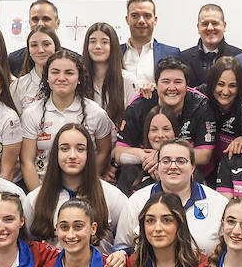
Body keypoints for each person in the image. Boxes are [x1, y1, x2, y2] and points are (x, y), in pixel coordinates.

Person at [25, 123, 129, 255]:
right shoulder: (35, 199)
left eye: (80, 149)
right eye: (65, 149)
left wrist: (120, 254)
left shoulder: (112, 195)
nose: (72, 155)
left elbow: (126, 243)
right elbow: (27, 243)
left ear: (89, 154)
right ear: (55, 154)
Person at [20, 49, 116, 189]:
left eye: (69, 73)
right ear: (46, 76)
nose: (61, 78)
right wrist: (39, 197)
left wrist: (86, 186)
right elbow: (26, 161)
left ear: (79, 78)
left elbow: (104, 152)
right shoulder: (31, 113)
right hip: (43, 187)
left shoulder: (96, 113)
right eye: (55, 72)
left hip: (84, 190)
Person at [117, 139, 230, 255]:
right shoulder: (137, 201)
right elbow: (122, 248)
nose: (173, 166)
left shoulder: (218, 203)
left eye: (181, 161)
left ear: (192, 167)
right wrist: (121, 255)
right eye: (166, 161)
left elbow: (228, 252)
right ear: (158, 166)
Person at [116, 57, 218, 175]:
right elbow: (120, 154)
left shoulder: (202, 105)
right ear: (156, 84)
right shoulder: (139, 106)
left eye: (178, 82)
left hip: (191, 174)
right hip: (146, 170)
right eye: (165, 81)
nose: (171, 88)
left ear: (187, 85)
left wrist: (164, 156)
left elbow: (204, 155)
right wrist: (144, 156)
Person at [202, 56, 242, 182]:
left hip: (231, 174)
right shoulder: (199, 99)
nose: (225, 92)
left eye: (232, 86)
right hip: (200, 171)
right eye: (220, 84)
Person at [121, 0, 180, 92]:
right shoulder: (115, 52)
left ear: (155, 20)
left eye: (147, 16)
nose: (141, 21)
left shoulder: (171, 53)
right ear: (127, 19)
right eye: (135, 15)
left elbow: (177, 89)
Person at [84, 22, 138, 131]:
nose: (98, 46)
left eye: (104, 42)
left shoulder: (127, 80)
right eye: (93, 42)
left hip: (119, 144)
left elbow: (134, 119)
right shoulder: (79, 79)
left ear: (113, 46)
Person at [179, 2, 242, 88]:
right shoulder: (183, 58)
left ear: (224, 26)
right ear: (198, 27)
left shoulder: (240, 58)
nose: (210, 28)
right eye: (205, 24)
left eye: (215, 23)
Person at [116, 106, 180, 193]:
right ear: (147, 134)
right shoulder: (130, 172)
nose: (160, 135)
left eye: (166, 129)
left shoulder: (186, 170)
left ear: (175, 133)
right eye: (154, 130)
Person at [6, 0, 60, 73]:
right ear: (29, 23)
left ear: (57, 23)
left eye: (46, 19)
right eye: (35, 19)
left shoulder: (73, 60)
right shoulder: (14, 60)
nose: (40, 24)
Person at [13, 26, 60, 111]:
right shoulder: (18, 86)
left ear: (55, 47)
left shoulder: (67, 81)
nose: (40, 50)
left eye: (46, 44)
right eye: (34, 45)